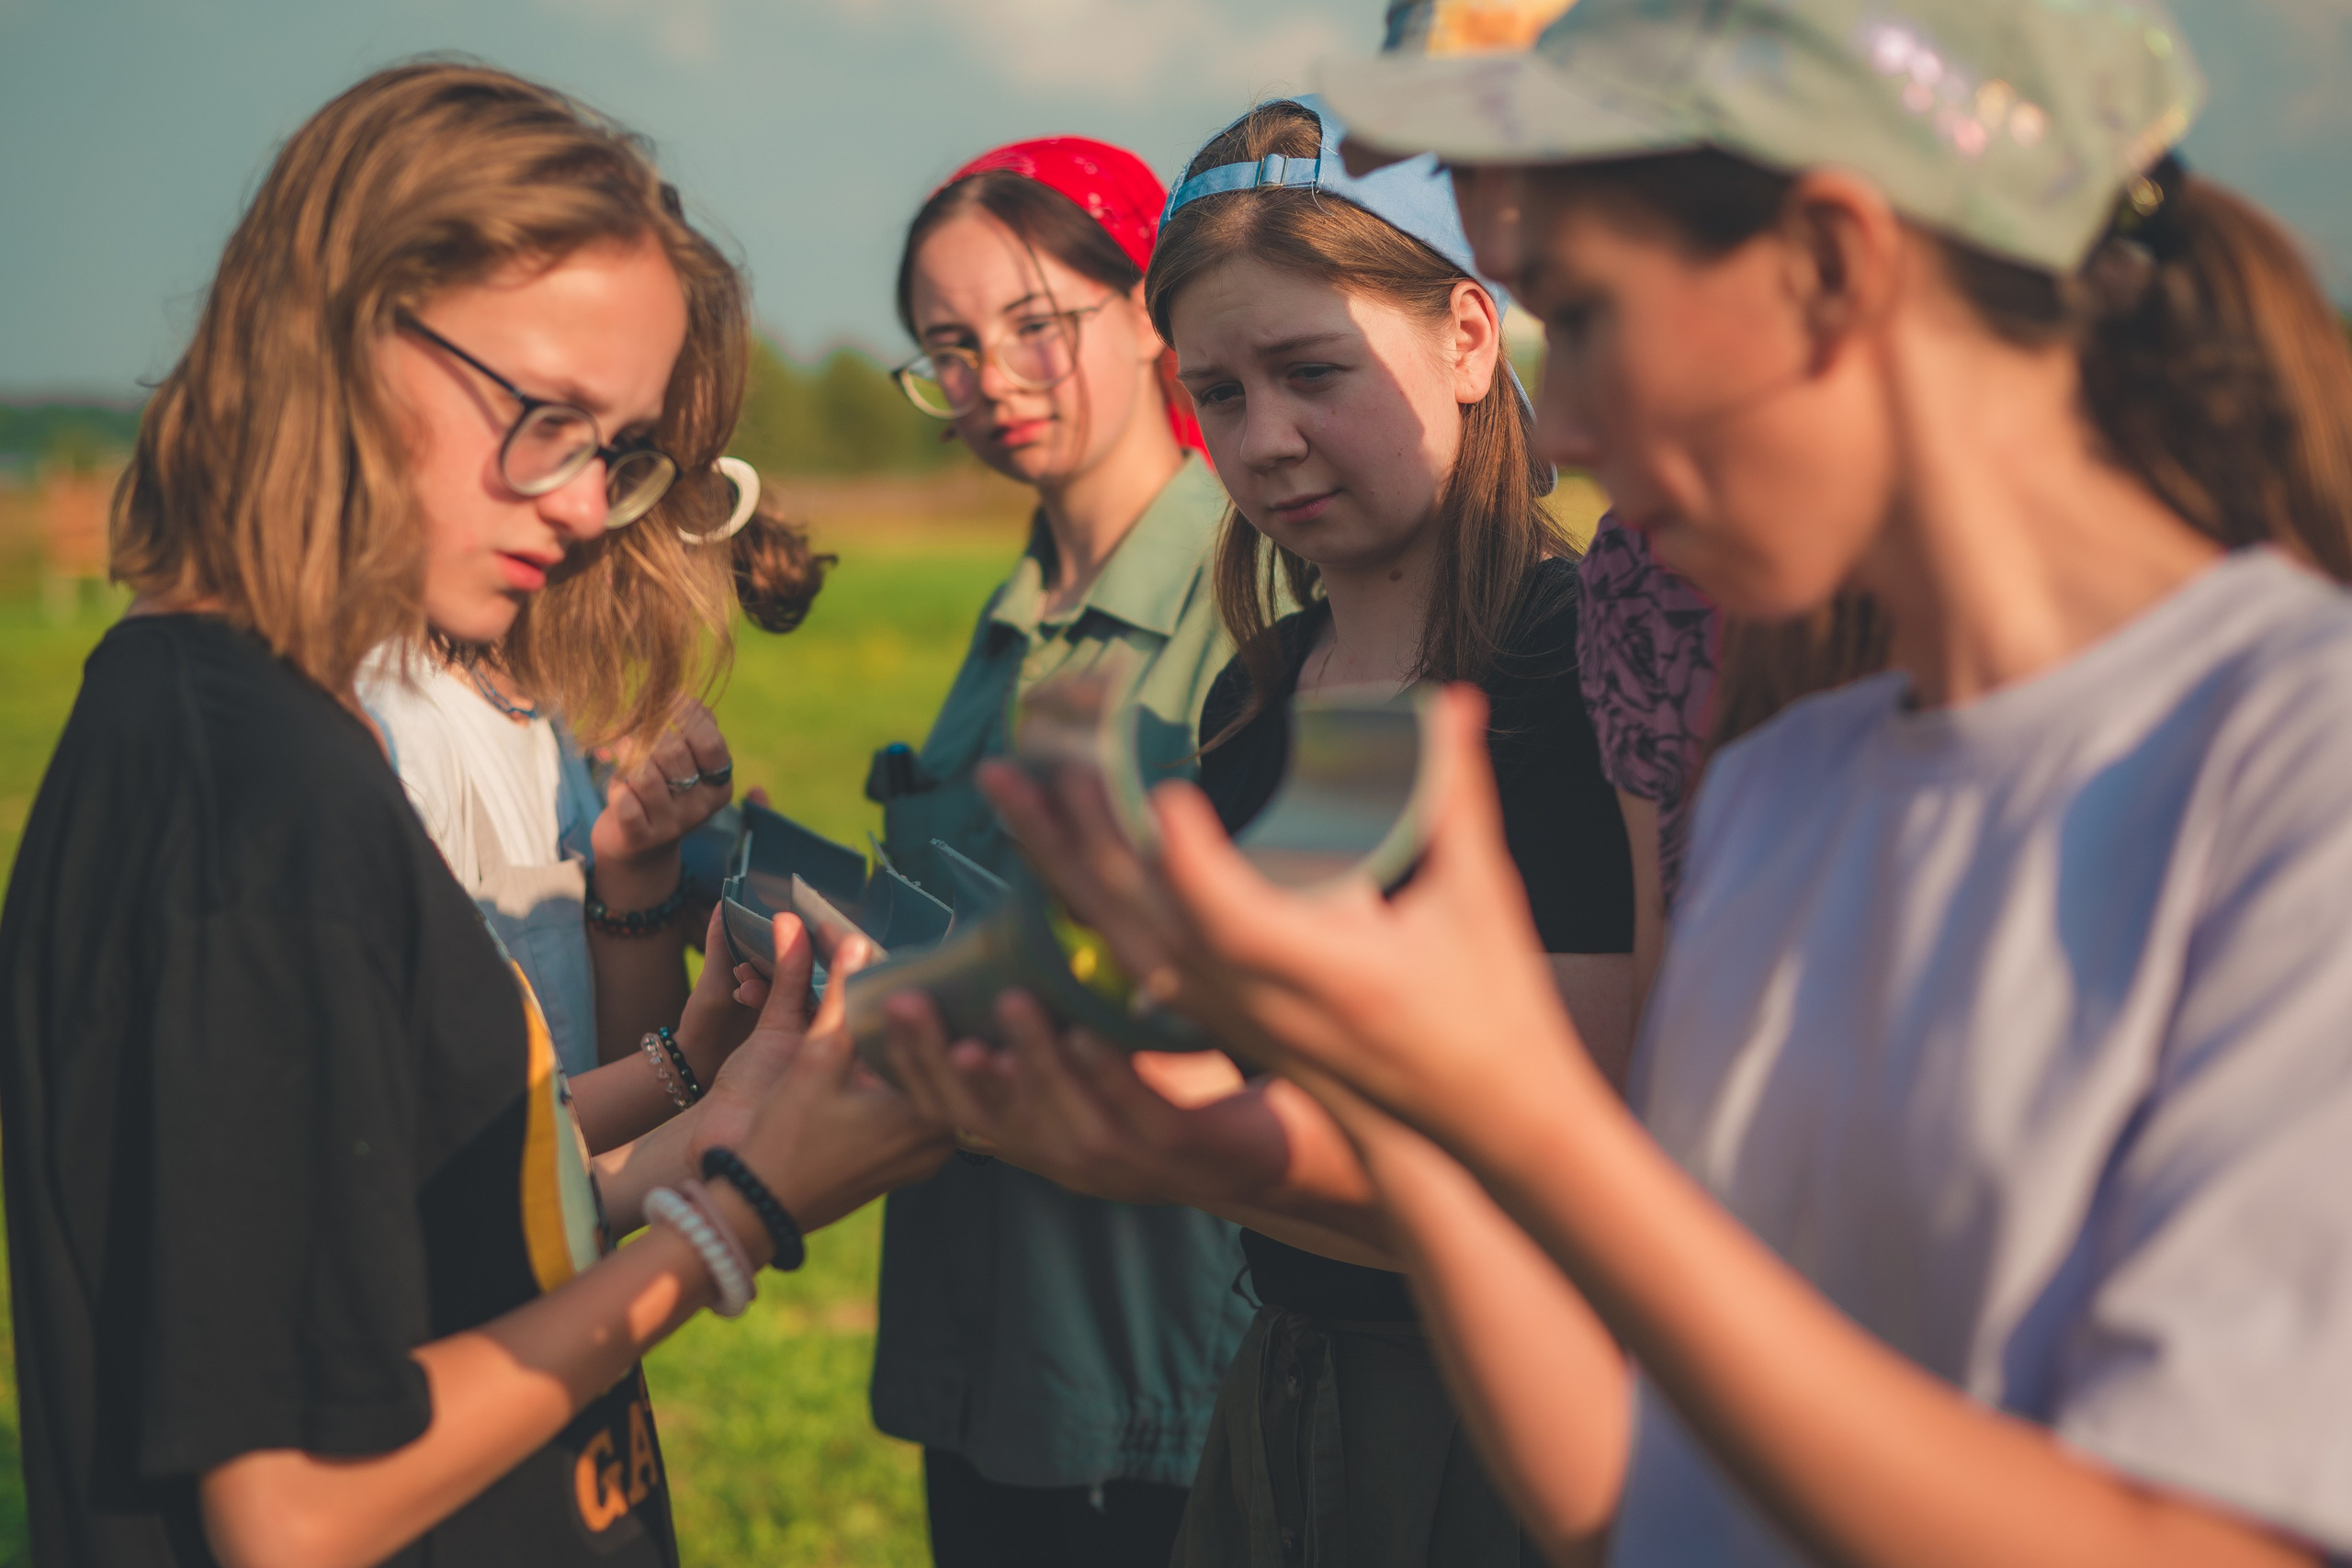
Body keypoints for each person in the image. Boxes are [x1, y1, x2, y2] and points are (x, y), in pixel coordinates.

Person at [978, 0, 2352, 1562]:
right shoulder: (1786, 784)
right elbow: (1633, 1495)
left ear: (1832, 265)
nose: (1559, 423)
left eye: (1589, 313)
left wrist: (1528, 1124)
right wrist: (1298, 1145)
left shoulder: (2294, 768)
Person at [0, 62, 946, 1568]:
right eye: (546, 417)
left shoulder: (256, 731)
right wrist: (742, 1217)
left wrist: (711, 1097)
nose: (583, 506)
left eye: (620, 453)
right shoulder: (256, 800)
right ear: (341, 323)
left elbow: (405, 1211)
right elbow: (296, 1508)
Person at [884, 96, 1634, 1566]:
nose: (1268, 438)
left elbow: (1564, 1153)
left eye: (1312, 371)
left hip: (1501, 1415)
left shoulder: (1568, 662)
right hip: (1276, 1385)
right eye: (1219, 394)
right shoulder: (1260, 691)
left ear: (1470, 341)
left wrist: (1172, 1135)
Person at [865, 135, 1248, 1567]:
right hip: (980, 1337)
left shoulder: (1256, 593)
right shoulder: (1012, 606)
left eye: (1036, 324)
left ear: (1149, 308)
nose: (992, 380)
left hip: (1161, 1353)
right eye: (948, 348)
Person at [358, 462, 828, 1077]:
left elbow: (618, 1076)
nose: (663, 641)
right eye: (676, 606)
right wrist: (698, 1068)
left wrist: (642, 867)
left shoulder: (553, 723)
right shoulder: (403, 738)